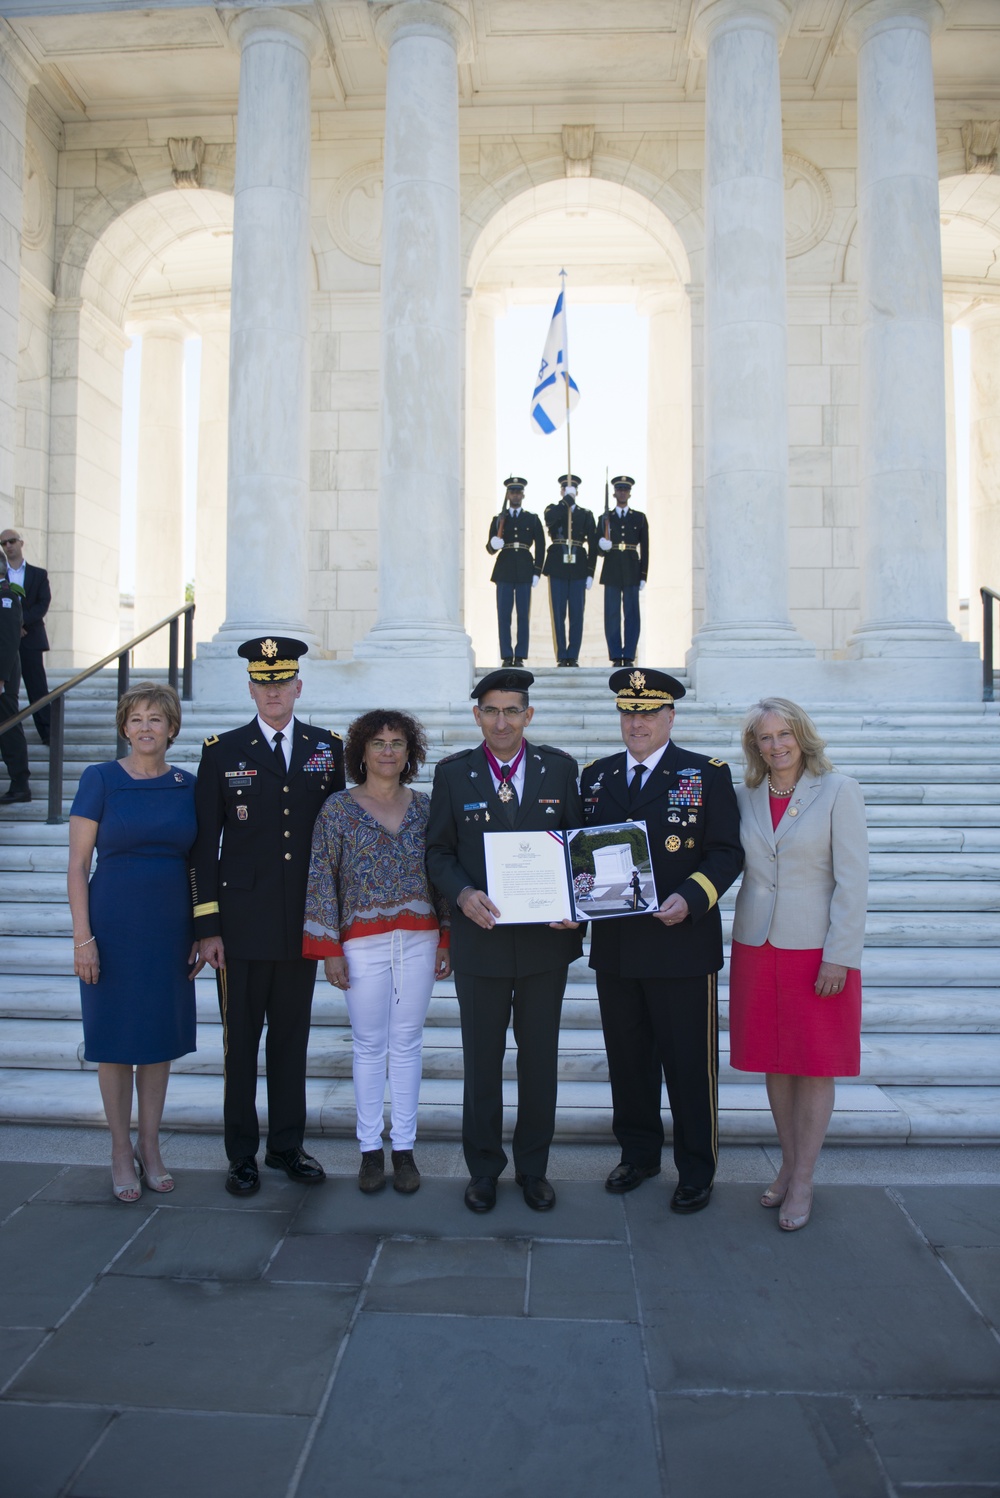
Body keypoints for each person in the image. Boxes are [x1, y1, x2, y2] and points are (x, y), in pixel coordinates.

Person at [190, 636, 345, 1197]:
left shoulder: (327, 749)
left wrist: (332, 923)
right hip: (241, 926)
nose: (273, 690)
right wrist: (207, 927)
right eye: (264, 681)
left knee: (290, 1041)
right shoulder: (222, 751)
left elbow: (336, 840)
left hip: (299, 924)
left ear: (298, 687)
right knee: (242, 1046)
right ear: (251, 687)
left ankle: (286, 1146)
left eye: (283, 682)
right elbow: (205, 845)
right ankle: (241, 1155)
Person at [585, 668, 743, 1213]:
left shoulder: (705, 774)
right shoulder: (597, 778)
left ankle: (696, 1168)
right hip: (617, 947)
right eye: (629, 712)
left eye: (649, 712)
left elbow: (726, 852)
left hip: (681, 946)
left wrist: (694, 898)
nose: (638, 722)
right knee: (628, 1061)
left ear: (670, 717)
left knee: (687, 1065)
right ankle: (639, 1154)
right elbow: (579, 856)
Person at [426, 667, 582, 1214]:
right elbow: (438, 852)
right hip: (481, 942)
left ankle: (534, 1169)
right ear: (477, 716)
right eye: (490, 710)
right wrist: (463, 894)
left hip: (545, 946)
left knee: (540, 1060)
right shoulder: (453, 774)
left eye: (512, 710)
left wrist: (576, 908)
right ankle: (484, 1170)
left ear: (528, 715)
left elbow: (577, 848)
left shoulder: (560, 770)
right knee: (483, 1061)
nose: (501, 721)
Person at [729, 697, 868, 1232]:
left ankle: (804, 1177)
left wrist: (840, 955)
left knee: (814, 1063)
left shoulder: (838, 790)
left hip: (817, 949)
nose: (775, 745)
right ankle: (788, 1162)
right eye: (764, 738)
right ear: (755, 747)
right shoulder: (747, 797)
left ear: (802, 736)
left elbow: (853, 881)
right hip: (756, 945)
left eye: (783, 734)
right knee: (774, 1060)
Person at [303, 710, 451, 1195]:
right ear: (360, 751)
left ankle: (404, 1149)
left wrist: (446, 938)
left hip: (419, 938)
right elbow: (322, 880)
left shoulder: (428, 808)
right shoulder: (337, 810)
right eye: (378, 742)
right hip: (360, 943)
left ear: (410, 754)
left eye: (397, 743)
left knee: (407, 1043)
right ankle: (370, 1151)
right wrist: (329, 949)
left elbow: (444, 877)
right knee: (369, 1045)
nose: (388, 751)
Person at [67, 682, 199, 1202]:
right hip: (114, 922)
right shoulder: (99, 778)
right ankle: (121, 1148)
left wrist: (199, 929)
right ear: (125, 727)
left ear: (171, 728)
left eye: (157, 719)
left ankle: (151, 1144)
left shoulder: (187, 784)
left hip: (170, 925)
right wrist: (83, 939)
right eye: (137, 718)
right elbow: (78, 865)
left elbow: (198, 864)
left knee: (159, 1040)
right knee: (116, 1040)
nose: (146, 727)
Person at [486, 477, 545, 666]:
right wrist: (493, 544)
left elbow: (541, 546)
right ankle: (506, 655)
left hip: (525, 570)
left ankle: (519, 655)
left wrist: (537, 571)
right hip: (504, 569)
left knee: (522, 614)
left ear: (523, 495)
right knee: (503, 614)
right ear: (508, 495)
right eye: (512, 492)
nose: (516, 495)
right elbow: (490, 548)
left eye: (519, 492)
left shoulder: (532, 519)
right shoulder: (498, 520)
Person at [0, 529, 51, 744]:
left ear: (21, 543)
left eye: (11, 541)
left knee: (37, 687)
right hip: (5, 641)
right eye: (3, 543)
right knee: (7, 691)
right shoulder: (2, 575)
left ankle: (48, 734)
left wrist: (19, 622)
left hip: (30, 638)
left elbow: (43, 603)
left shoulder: (38, 574)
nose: (8, 545)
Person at [542, 474, 597, 667]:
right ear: (562, 491)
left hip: (578, 566)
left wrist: (591, 571)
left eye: (572, 489)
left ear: (578, 491)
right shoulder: (553, 509)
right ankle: (561, 654)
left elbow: (593, 544)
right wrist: (566, 502)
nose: (569, 491)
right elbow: (549, 520)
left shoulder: (586, 514)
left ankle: (572, 655)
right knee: (558, 612)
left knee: (576, 613)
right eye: (566, 488)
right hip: (558, 564)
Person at [596, 476, 648, 666]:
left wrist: (644, 574)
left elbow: (645, 547)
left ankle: (629, 655)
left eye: (625, 489)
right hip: (612, 568)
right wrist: (603, 546)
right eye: (619, 489)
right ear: (614, 493)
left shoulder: (639, 517)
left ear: (629, 493)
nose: (622, 492)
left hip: (632, 568)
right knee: (612, 613)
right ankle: (616, 655)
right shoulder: (604, 518)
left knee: (632, 613)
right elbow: (598, 548)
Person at [0, 561, 30, 803]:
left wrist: (2, 677)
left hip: (3, 680)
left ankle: (20, 785)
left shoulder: (7, 596)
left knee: (9, 729)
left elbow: (9, 641)